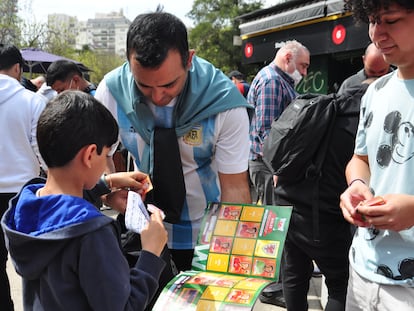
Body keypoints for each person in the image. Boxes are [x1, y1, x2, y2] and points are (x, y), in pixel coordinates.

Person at [95, 11, 253, 273]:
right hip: (141, 227)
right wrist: (110, 190)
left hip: (207, 232)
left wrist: (233, 254)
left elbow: (235, 188)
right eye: (144, 86)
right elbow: (99, 156)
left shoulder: (223, 103)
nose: (158, 97)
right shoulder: (112, 92)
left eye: (169, 84)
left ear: (189, 59)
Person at [1, 90, 168, 311]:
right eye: (106, 154)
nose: (106, 162)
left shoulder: (26, 205)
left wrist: (106, 183)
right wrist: (151, 253)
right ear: (90, 155)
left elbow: (60, 210)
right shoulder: (92, 232)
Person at [339, 1, 414, 310]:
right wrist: (357, 184)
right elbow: (361, 159)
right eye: (372, 21)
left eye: (391, 20)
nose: (378, 33)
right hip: (362, 269)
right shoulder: (375, 92)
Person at [274, 80, 373, 311]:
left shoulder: (319, 109)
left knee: (294, 275)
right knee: (339, 283)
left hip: (288, 206)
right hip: (325, 216)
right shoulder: (361, 121)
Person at [247, 39, 310, 308]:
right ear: (287, 57)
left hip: (271, 165)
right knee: (276, 226)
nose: (305, 72)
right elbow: (267, 133)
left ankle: (279, 284)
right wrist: (278, 167)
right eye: (303, 65)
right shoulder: (272, 81)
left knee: (277, 224)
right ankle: (274, 287)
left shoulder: (278, 79)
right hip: (269, 166)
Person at [0, 44, 46, 311]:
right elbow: (42, 150)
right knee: (34, 263)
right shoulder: (32, 100)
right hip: (23, 194)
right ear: (18, 68)